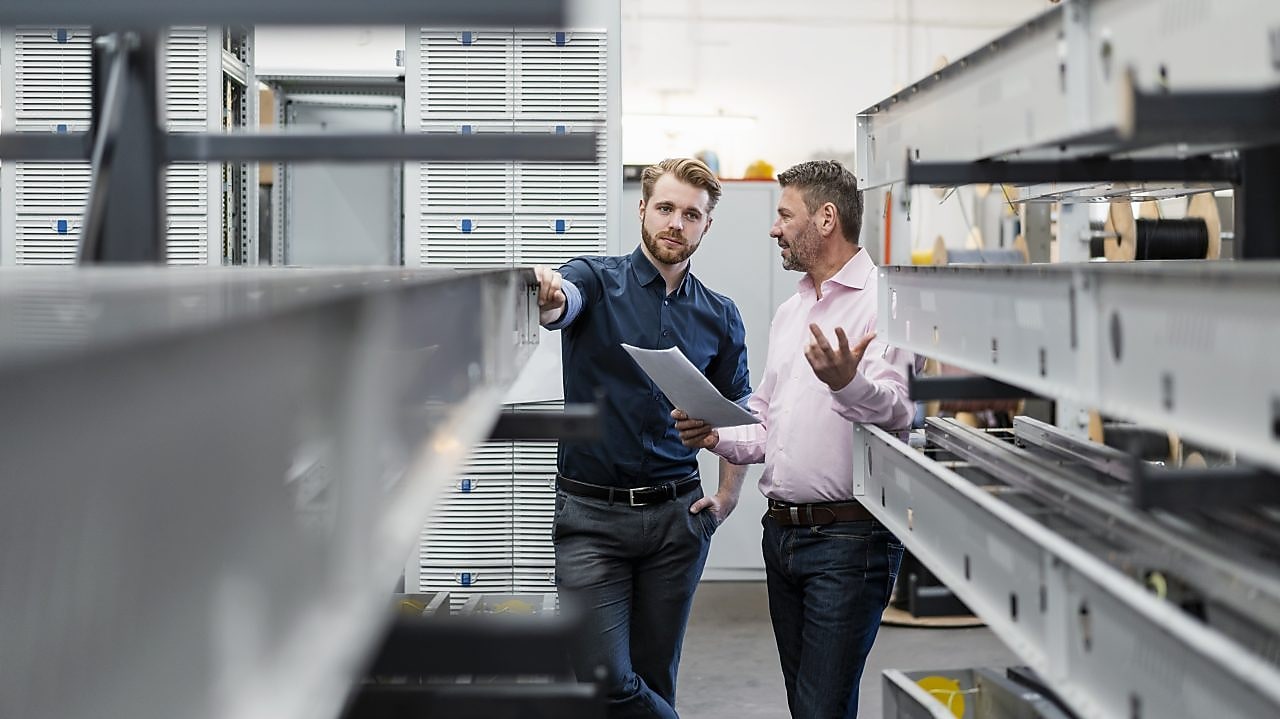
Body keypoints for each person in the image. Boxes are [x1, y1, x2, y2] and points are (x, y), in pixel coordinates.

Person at [673, 160, 914, 719]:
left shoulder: (887, 302)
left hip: (849, 542)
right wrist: (714, 433)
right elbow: (766, 420)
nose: (774, 228)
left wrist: (847, 383)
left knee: (821, 708)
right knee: (808, 706)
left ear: (826, 218)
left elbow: (899, 410)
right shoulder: (791, 310)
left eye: (784, 215)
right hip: (781, 537)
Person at [533, 157, 752, 718]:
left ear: (705, 226)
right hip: (591, 521)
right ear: (642, 210)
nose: (676, 223)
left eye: (691, 215)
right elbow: (564, 305)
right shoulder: (593, 280)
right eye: (665, 208)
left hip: (677, 523)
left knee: (654, 677)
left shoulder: (720, 316)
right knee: (606, 681)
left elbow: (737, 413)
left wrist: (727, 497)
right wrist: (552, 297)